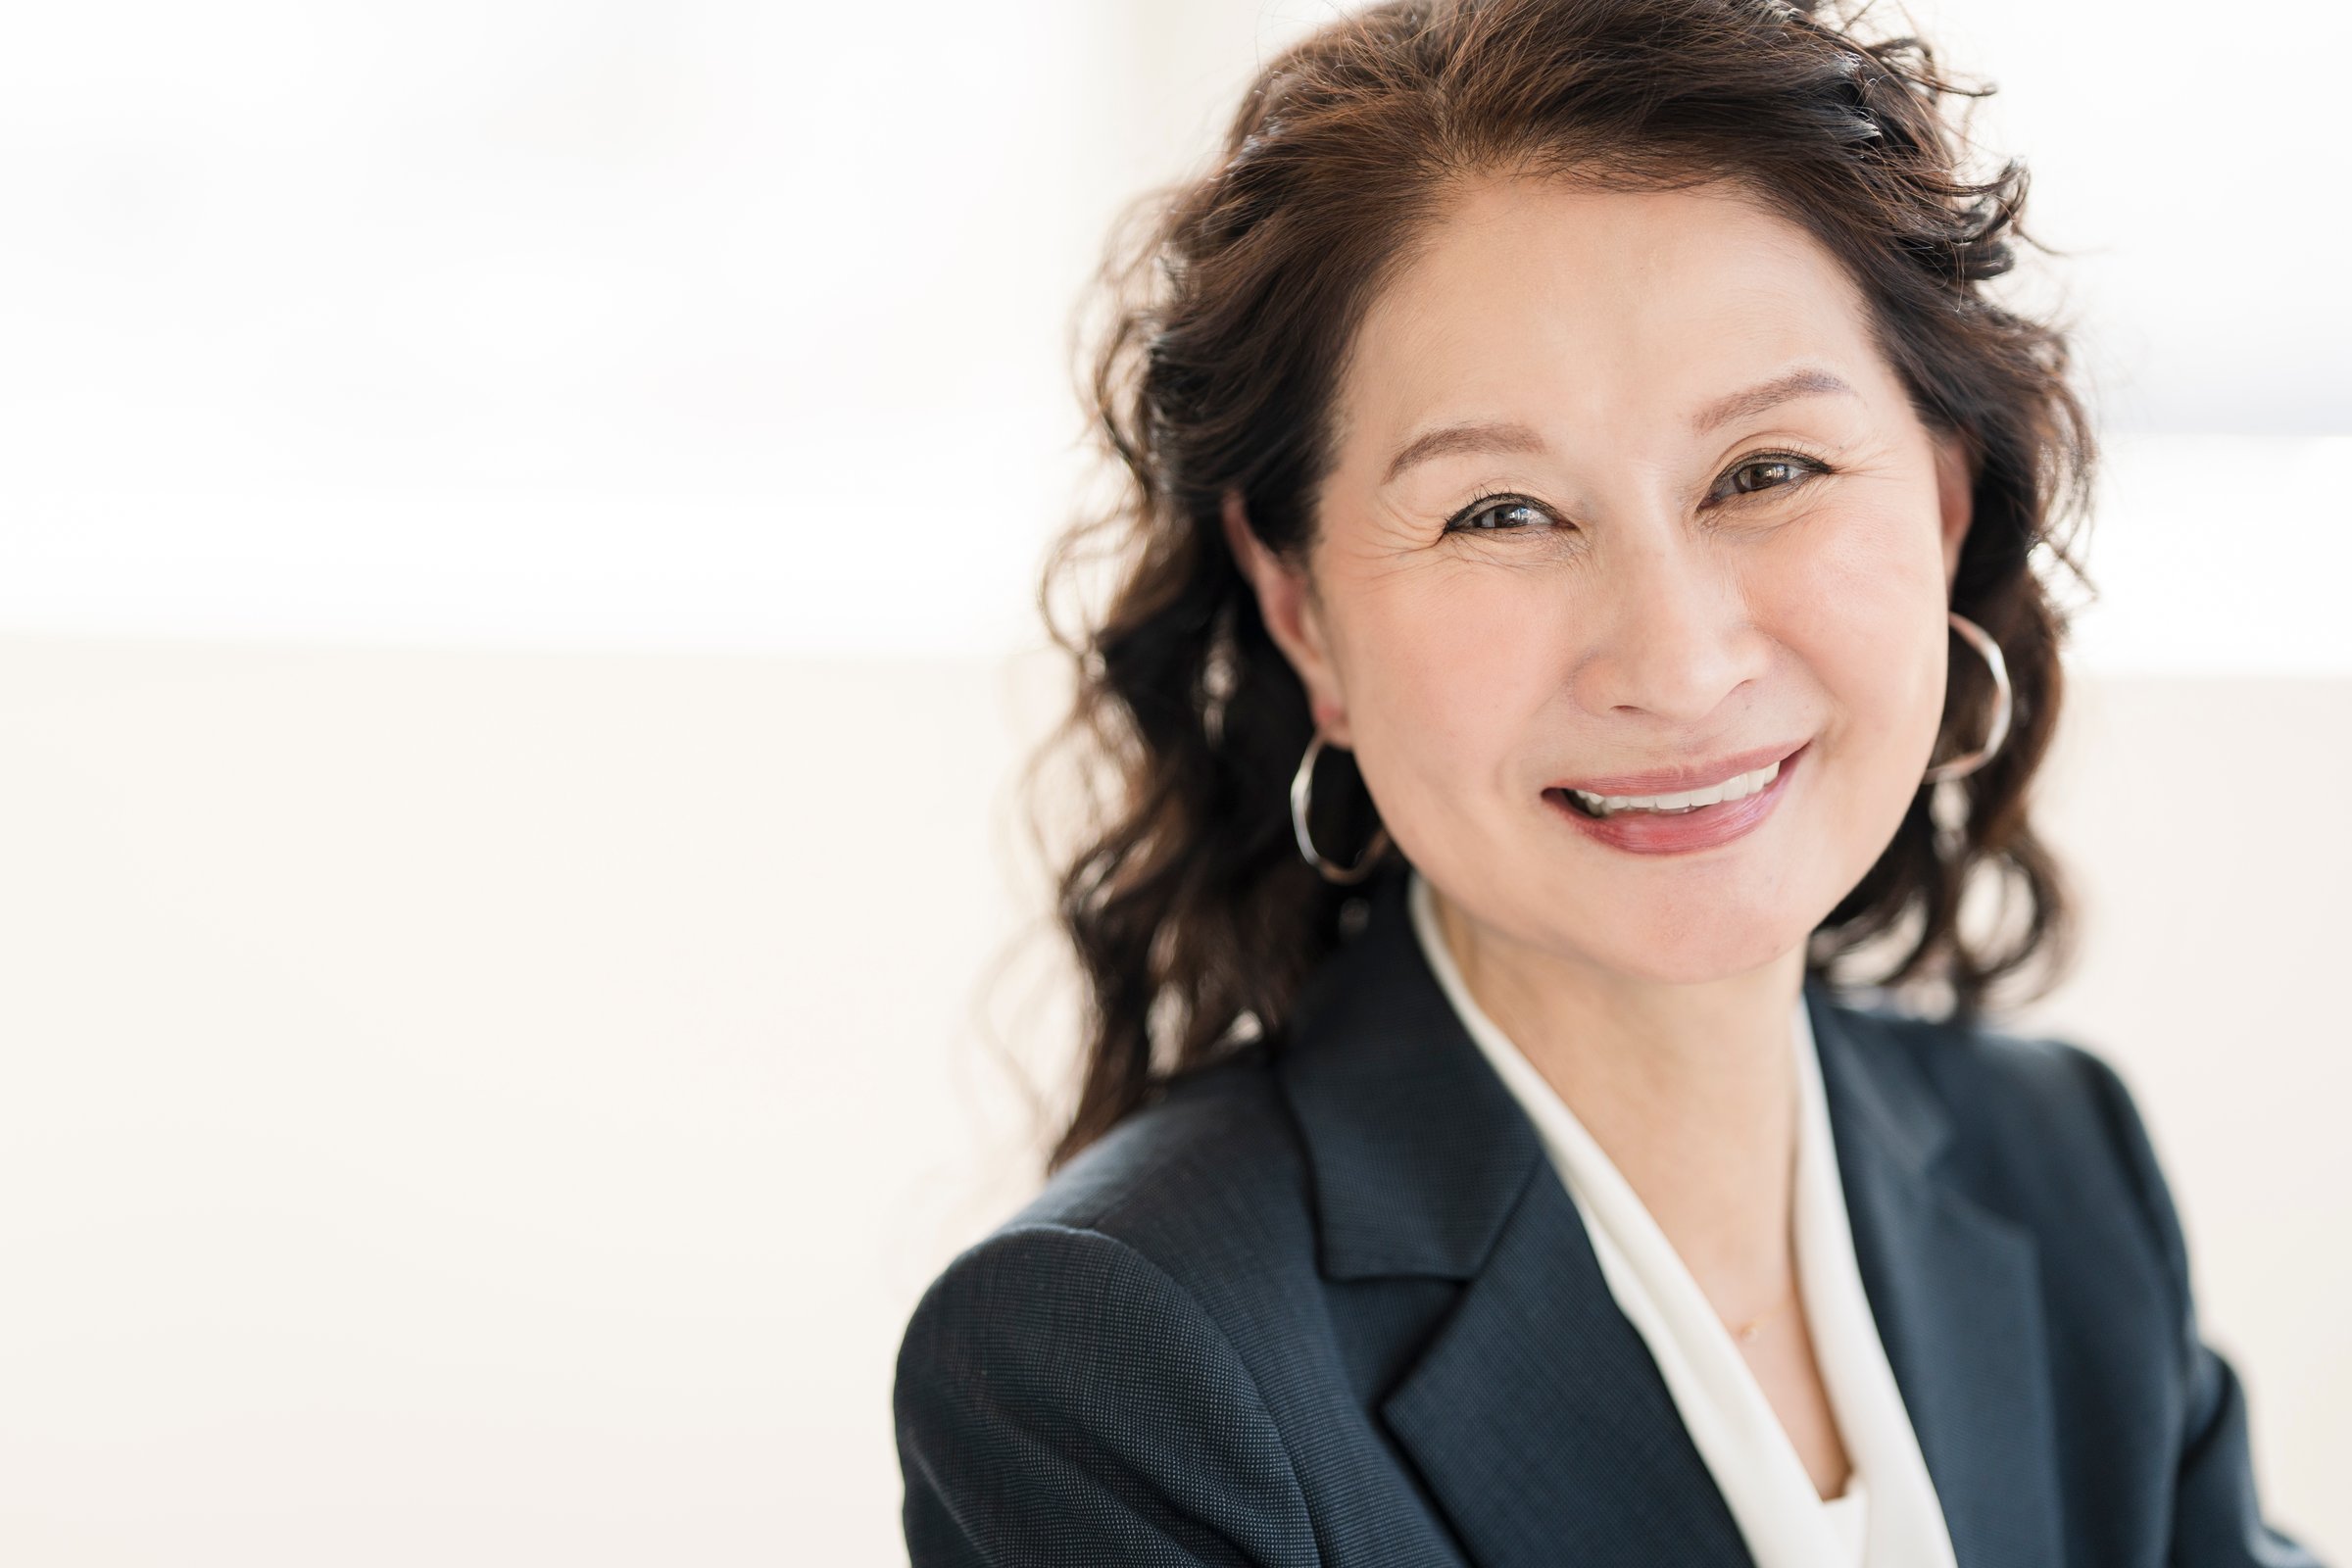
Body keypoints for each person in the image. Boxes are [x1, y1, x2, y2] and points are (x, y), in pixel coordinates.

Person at [893, 1, 2323, 1563]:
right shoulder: (1110, 1362)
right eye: (1502, 512)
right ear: (1301, 605)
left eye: (1767, 473)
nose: (1678, 662)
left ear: (1944, 496)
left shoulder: (2054, 1163)